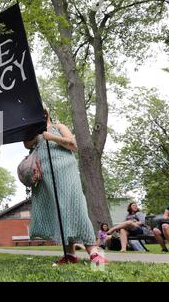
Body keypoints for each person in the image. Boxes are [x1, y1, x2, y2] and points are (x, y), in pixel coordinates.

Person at [22, 103, 107, 265]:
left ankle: (94, 253)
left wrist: (52, 137)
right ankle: (70, 254)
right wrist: (35, 130)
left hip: (66, 172)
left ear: (46, 113)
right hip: (46, 177)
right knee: (60, 212)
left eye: (42, 112)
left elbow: (73, 145)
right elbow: (26, 144)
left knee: (75, 207)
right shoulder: (34, 133)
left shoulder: (58, 126)